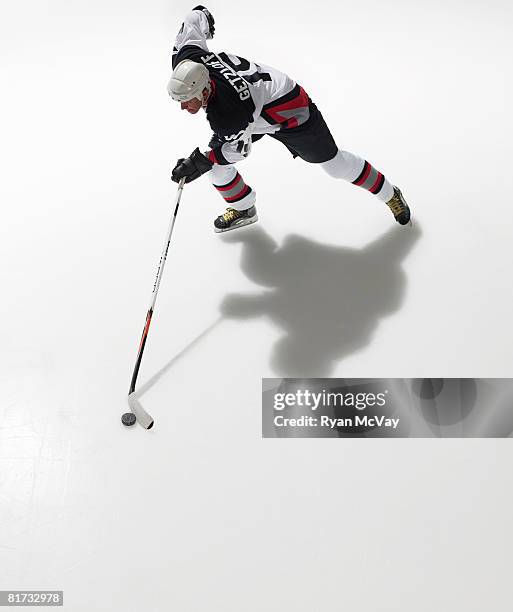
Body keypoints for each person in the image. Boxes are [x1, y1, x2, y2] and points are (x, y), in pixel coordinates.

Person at [169, 6, 411, 233]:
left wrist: (201, 160)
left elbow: (240, 151)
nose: (183, 107)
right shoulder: (187, 60)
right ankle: (244, 207)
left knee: (335, 165)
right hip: (255, 106)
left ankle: (390, 194)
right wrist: (204, 16)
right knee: (215, 166)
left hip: (289, 111)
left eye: (188, 100)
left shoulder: (228, 115)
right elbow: (193, 19)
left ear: (204, 90)